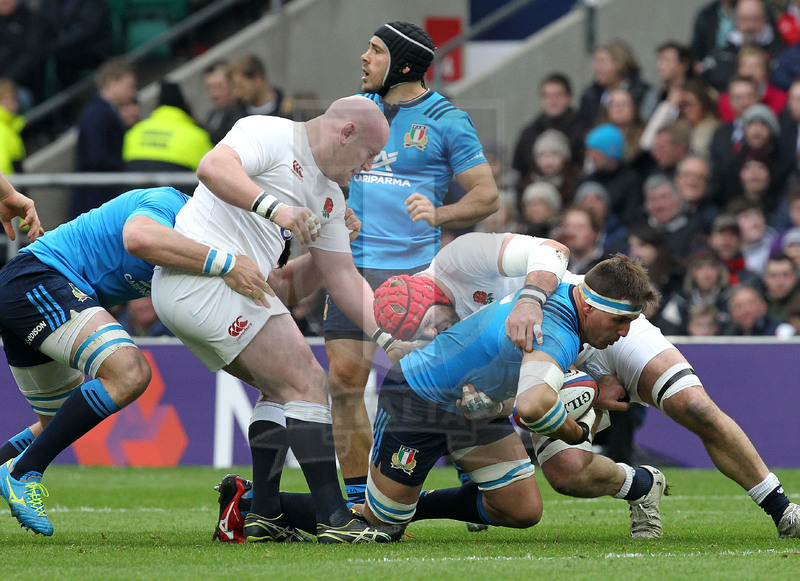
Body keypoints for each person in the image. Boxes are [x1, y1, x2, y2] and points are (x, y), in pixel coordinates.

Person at [152, 96, 408, 544]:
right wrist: (277, 210)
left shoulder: (329, 197)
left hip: (218, 290)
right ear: (345, 133)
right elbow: (211, 167)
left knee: (279, 388)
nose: (365, 169)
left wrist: (388, 337)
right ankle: (334, 517)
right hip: (202, 277)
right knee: (309, 381)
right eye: (367, 155)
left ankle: (265, 512)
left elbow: (342, 278)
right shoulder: (270, 132)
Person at [0, 186, 269, 536]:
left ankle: (12, 464)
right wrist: (227, 264)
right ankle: (24, 472)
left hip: (34, 289)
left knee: (58, 421)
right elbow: (138, 238)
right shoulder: (171, 204)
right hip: (39, 277)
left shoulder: (199, 251)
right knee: (130, 373)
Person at [322, 21, 499, 509]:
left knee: (442, 392)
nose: (363, 57)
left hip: (417, 282)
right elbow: (317, 176)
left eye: (375, 50)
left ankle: (482, 482)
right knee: (343, 383)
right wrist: (337, 202)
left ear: (402, 64)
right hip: (352, 272)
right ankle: (358, 500)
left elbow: (486, 195)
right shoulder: (352, 114)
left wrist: (440, 213)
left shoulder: (446, 119)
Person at [71, 58, 138, 219]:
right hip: (95, 199)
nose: (132, 93)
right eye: (129, 86)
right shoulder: (99, 113)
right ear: (111, 82)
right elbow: (97, 157)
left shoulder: (99, 111)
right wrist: (127, 166)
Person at [123, 81, 213, 174]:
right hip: (180, 186)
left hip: (135, 186)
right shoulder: (197, 136)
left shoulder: (134, 132)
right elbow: (212, 169)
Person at [511, 72, 587, 184]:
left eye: (558, 95)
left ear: (569, 98)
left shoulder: (583, 130)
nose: (552, 101)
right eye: (547, 96)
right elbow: (518, 169)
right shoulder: (529, 133)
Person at [38, 0, 113, 90]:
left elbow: (86, 29)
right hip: (61, 48)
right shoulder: (49, 2)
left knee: (60, 60)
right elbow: (41, 23)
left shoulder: (92, 2)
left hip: (89, 50)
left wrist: (54, 45)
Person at [0, 0, 46, 110]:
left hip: (19, 86)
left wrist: (6, 81)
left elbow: (30, 57)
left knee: (20, 99)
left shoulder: (31, 20)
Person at [227, 54, 292, 118]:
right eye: (235, 87)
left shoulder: (290, 111)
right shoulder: (233, 116)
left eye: (241, 86)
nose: (238, 93)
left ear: (258, 80)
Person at [202, 60, 247, 145]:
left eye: (219, 86)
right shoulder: (212, 115)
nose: (214, 94)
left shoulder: (244, 114)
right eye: (209, 88)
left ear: (233, 84)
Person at [0, 78, 24, 175]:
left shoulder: (11, 128)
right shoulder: (3, 130)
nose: (15, 105)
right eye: (9, 100)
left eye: (15, 100)